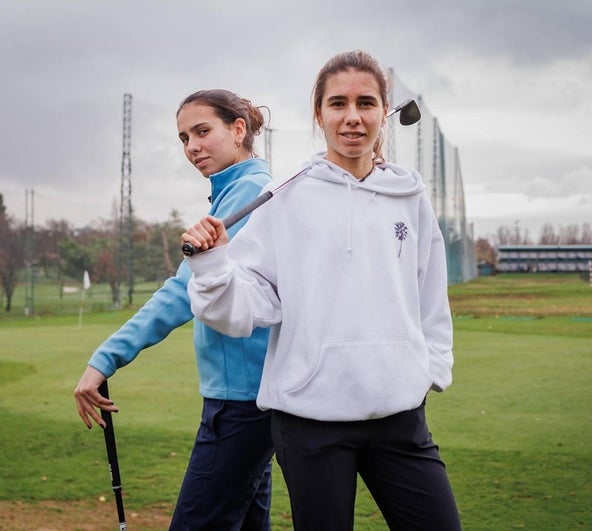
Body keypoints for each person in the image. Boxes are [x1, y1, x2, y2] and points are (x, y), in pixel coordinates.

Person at [181, 50, 462, 530]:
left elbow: (431, 297)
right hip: (310, 422)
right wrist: (211, 265)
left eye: (366, 103)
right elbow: (246, 307)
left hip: (398, 416)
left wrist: (427, 369)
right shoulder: (285, 200)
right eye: (338, 104)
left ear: (383, 113)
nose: (352, 117)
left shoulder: (410, 199)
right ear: (320, 114)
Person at [74, 89, 275, 531]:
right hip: (252, 400)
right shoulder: (239, 190)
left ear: (238, 129)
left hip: (240, 403)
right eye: (184, 137)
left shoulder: (248, 192)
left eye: (203, 131)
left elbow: (182, 292)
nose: (192, 147)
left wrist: (105, 357)